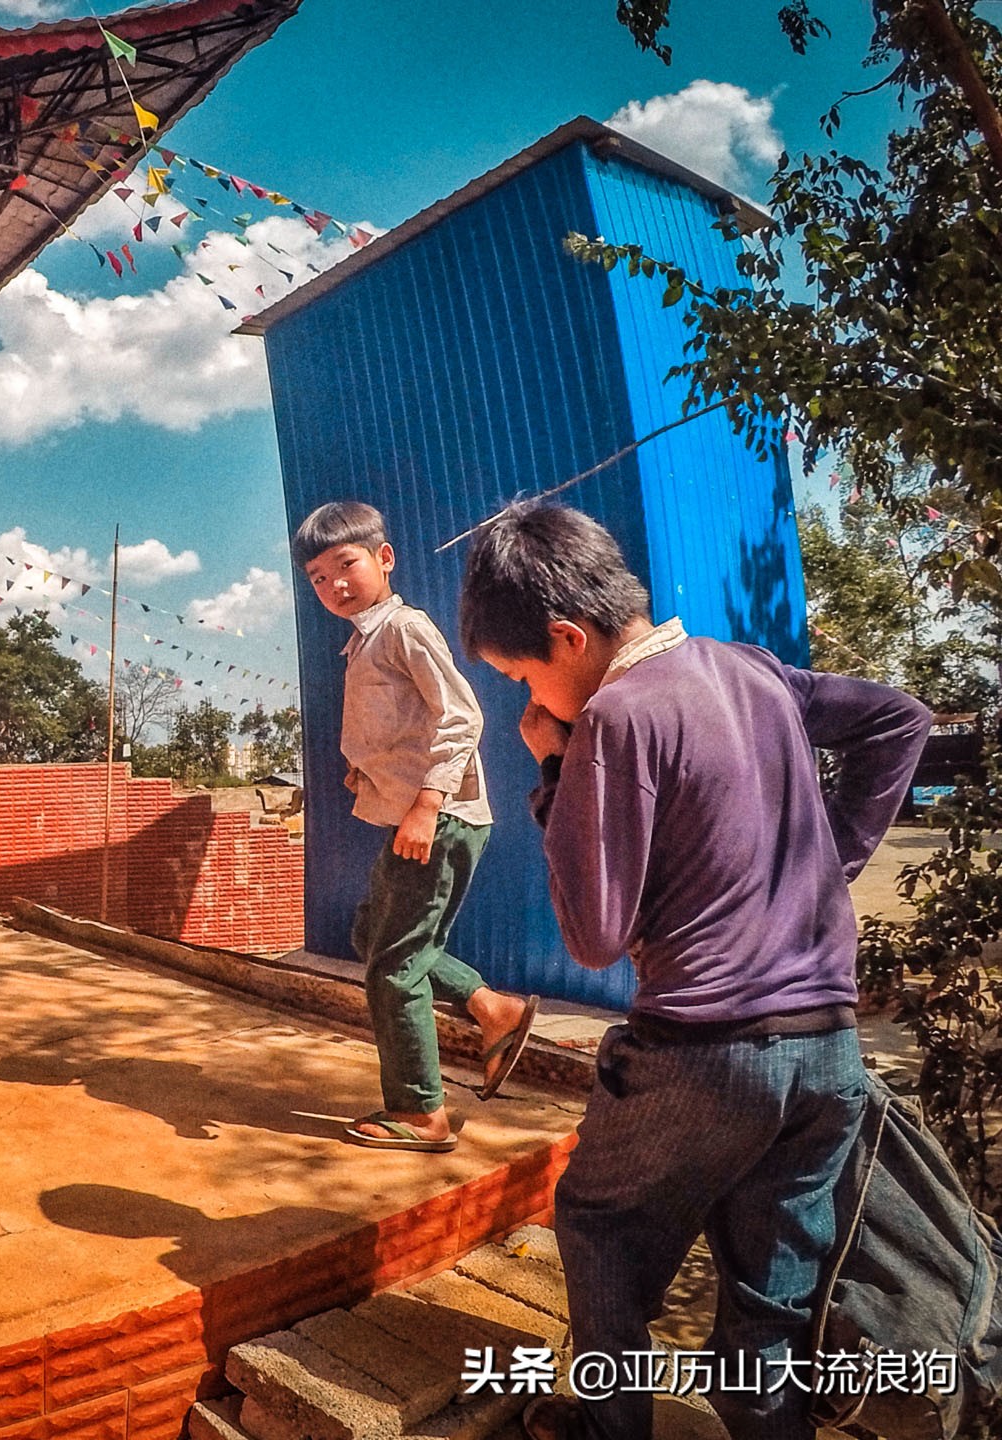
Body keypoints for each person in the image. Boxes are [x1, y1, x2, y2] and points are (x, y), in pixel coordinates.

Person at [456, 502, 931, 1440]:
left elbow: (593, 935)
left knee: (600, 1225)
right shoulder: (750, 668)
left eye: (522, 677)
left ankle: (608, 1425)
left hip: (704, 1057)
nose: (527, 703)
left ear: (567, 636)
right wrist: (826, 860)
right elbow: (899, 720)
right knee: (771, 1295)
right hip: (828, 1056)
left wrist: (553, 770)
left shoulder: (614, 720)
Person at [292, 501, 538, 1152]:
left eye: (345, 564)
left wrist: (427, 802)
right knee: (373, 933)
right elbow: (400, 733)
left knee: (393, 966)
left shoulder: (404, 627)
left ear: (383, 558)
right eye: (317, 577)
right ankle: (493, 1009)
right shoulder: (365, 640)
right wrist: (369, 776)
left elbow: (462, 717)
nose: (333, 584)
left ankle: (420, 1112)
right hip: (415, 816)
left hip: (442, 819)